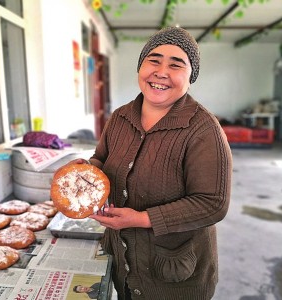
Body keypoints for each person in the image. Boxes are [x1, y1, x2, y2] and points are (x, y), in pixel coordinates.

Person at [67, 26, 233, 300]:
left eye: (176, 65)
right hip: (125, 262)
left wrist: (143, 219)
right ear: (141, 66)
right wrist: (86, 171)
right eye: (153, 60)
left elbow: (212, 203)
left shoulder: (203, 130)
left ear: (191, 76)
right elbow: (101, 159)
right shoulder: (120, 118)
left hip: (172, 277)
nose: (161, 72)